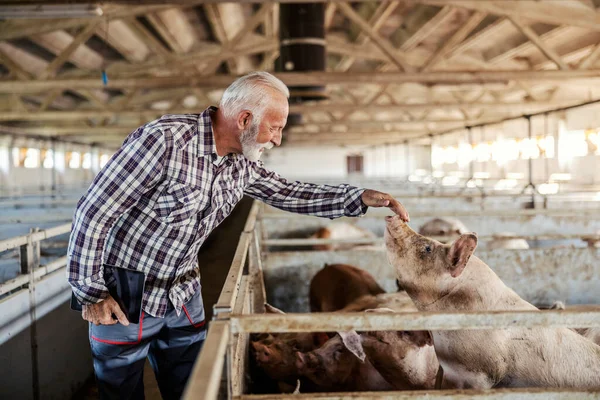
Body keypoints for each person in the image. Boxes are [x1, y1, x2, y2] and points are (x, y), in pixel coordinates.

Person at [67, 71, 410, 399]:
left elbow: (289, 192)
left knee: (191, 386)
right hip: (126, 297)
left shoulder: (241, 164)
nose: (277, 140)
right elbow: (94, 211)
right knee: (120, 388)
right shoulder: (164, 141)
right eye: (274, 129)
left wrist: (358, 198)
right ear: (244, 120)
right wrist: (91, 293)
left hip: (184, 294)